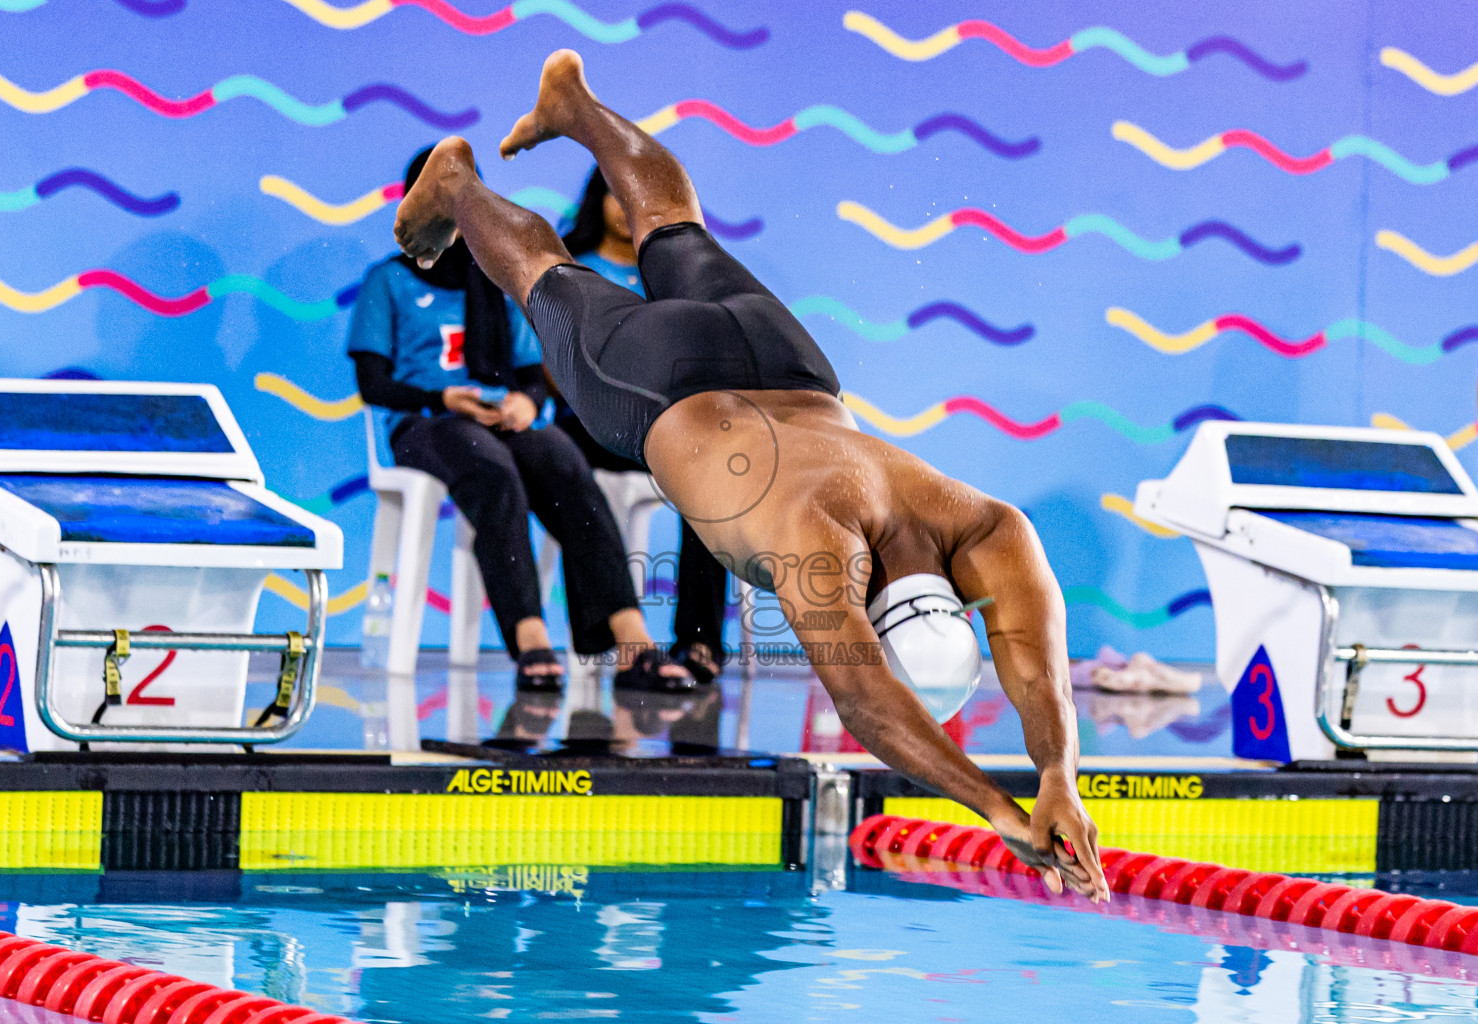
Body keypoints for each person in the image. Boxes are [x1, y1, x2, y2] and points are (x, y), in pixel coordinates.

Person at [393, 50, 1110, 901]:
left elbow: (1036, 662)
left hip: (787, 360)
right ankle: (459, 185)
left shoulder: (985, 525)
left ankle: (573, 103)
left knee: (670, 220)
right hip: (660, 388)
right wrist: (998, 808)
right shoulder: (825, 551)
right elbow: (871, 707)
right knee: (543, 273)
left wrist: (1058, 773)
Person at [348, 147, 685, 691]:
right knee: (494, 474)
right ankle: (530, 641)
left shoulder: (495, 278)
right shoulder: (387, 280)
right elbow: (373, 382)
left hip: (500, 416)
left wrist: (527, 402)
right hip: (426, 422)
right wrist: (442, 401)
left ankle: (633, 645)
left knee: (566, 465)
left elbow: (532, 370)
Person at [553, 168, 730, 687]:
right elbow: (551, 362)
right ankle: (601, 636)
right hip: (591, 423)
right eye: (617, 192)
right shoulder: (570, 271)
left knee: (712, 482)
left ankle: (699, 641)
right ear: (597, 200)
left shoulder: (677, 279)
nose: (628, 204)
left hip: (664, 428)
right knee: (564, 468)